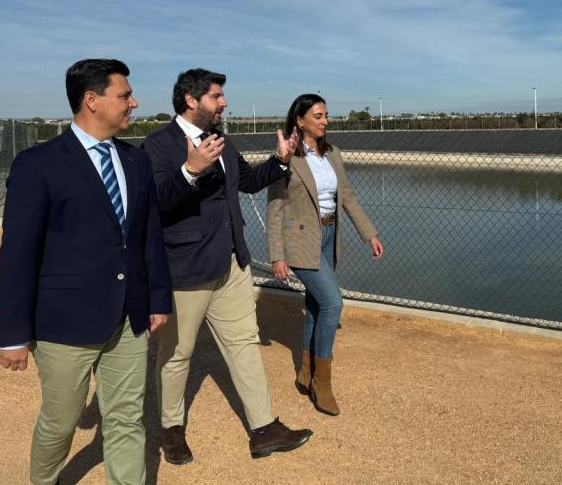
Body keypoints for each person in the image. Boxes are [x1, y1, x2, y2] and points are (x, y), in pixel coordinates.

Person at [0, 59, 176, 485]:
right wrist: (13, 334)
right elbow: (17, 255)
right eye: (125, 94)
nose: (134, 102)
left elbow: (148, 239)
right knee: (62, 419)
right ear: (92, 100)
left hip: (129, 317)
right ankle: (46, 482)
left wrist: (157, 298)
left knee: (127, 419)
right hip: (64, 321)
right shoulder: (39, 164)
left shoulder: (135, 160)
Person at [143, 68, 311, 464]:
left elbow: (248, 181)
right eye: (217, 96)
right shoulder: (158, 145)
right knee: (177, 353)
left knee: (244, 345)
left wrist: (281, 159)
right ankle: (171, 429)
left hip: (232, 263)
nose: (224, 102)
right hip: (185, 268)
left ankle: (264, 429)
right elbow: (157, 204)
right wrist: (191, 170)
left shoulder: (220, 140)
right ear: (191, 99)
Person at [267, 93, 385, 416]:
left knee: (317, 305)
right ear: (300, 120)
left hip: (329, 236)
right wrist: (276, 254)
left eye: (326, 115)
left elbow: (346, 196)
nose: (324, 121)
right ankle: (323, 382)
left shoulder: (332, 154)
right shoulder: (286, 156)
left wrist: (369, 233)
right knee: (333, 302)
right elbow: (275, 208)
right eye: (317, 116)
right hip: (300, 241)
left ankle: (305, 372)